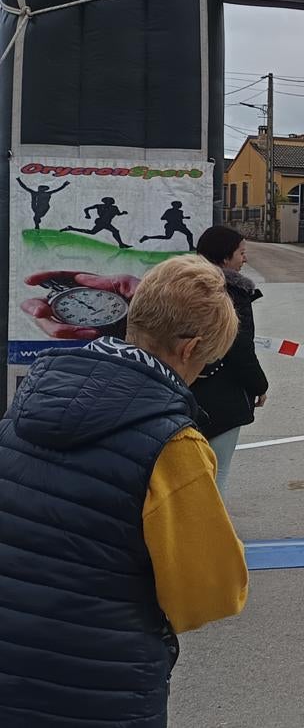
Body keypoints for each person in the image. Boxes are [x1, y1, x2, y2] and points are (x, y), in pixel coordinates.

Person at [0, 255, 248, 726]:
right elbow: (210, 594)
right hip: (97, 684)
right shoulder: (173, 444)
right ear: (190, 349)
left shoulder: (33, 395)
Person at [191, 227, 268, 491]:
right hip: (223, 394)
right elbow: (239, 346)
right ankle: (211, 531)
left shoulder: (179, 285)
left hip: (181, 388)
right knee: (218, 470)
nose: (244, 259)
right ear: (225, 258)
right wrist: (260, 386)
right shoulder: (233, 293)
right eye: (241, 253)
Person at [62, 195, 131, 248]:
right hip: (101, 222)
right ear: (104, 202)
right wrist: (87, 215)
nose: (108, 203)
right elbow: (86, 209)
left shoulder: (114, 208)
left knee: (93, 232)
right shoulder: (99, 206)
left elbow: (118, 214)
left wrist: (123, 213)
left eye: (109, 202)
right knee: (113, 231)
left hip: (106, 223)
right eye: (107, 201)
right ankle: (121, 244)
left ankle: (71, 228)